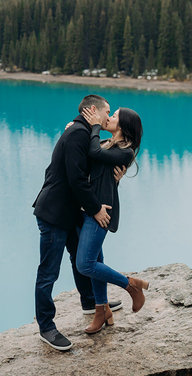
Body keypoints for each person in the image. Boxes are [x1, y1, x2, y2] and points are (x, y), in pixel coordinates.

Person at [32, 94, 125, 352]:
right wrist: (96, 209)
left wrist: (119, 172)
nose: (108, 118)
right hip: (54, 213)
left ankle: (91, 302)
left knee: (79, 259)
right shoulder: (77, 134)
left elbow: (96, 166)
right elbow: (76, 178)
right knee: (48, 272)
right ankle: (46, 327)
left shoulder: (83, 132)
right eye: (107, 112)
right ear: (93, 110)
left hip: (70, 211)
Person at [75, 105, 148, 335]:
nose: (109, 117)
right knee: (96, 262)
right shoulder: (107, 144)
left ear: (123, 126)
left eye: (114, 116)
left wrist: (95, 125)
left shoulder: (125, 151)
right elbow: (91, 154)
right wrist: (75, 129)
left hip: (102, 211)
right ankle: (102, 311)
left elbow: (94, 154)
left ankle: (131, 286)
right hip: (89, 208)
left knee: (85, 264)